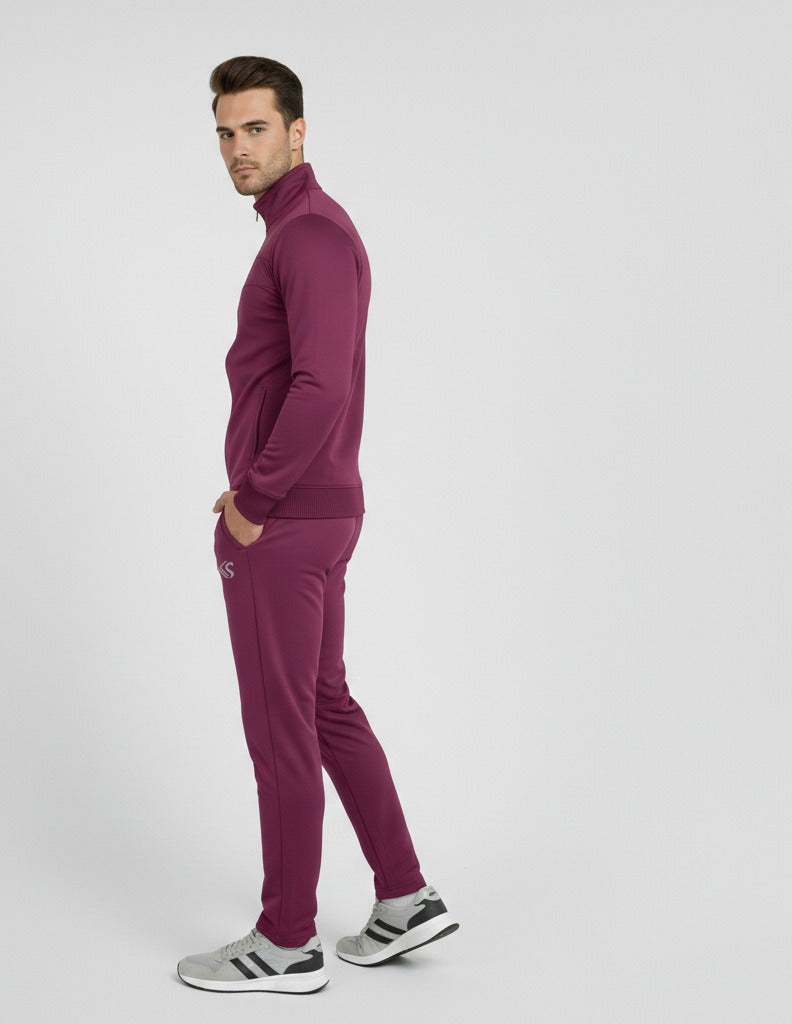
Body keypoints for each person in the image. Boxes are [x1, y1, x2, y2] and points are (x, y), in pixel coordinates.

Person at [176, 55, 459, 994]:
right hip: (320, 510)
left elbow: (321, 385)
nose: (237, 148)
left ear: (297, 133)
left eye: (255, 129)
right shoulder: (305, 230)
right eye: (225, 132)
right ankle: (405, 896)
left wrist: (252, 502)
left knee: (281, 727)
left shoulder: (306, 234)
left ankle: (285, 941)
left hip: (288, 521)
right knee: (326, 706)